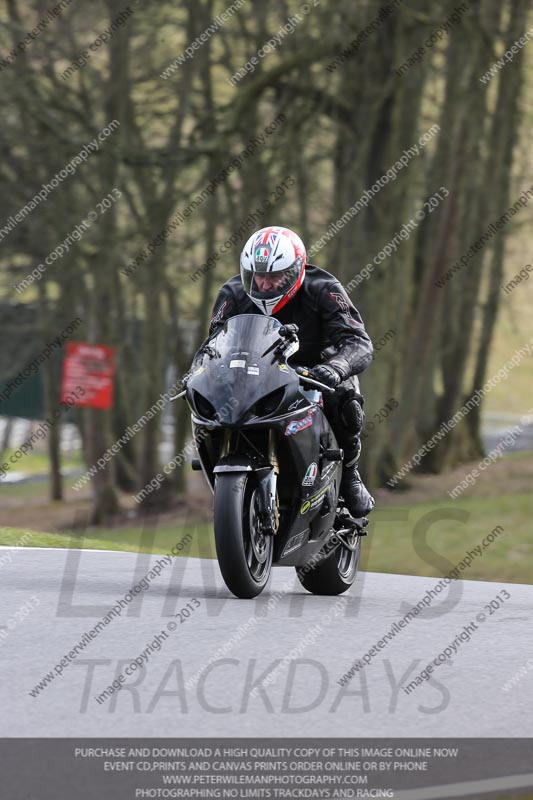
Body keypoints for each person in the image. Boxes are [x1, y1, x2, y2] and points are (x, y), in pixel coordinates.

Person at [194, 225, 374, 518]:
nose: (264, 286)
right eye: (257, 276)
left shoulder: (323, 289)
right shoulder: (232, 293)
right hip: (256, 376)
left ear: (295, 271)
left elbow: (358, 341)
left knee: (346, 400)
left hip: (316, 372)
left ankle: (350, 475)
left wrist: (336, 367)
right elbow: (214, 344)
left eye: (274, 276)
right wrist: (202, 371)